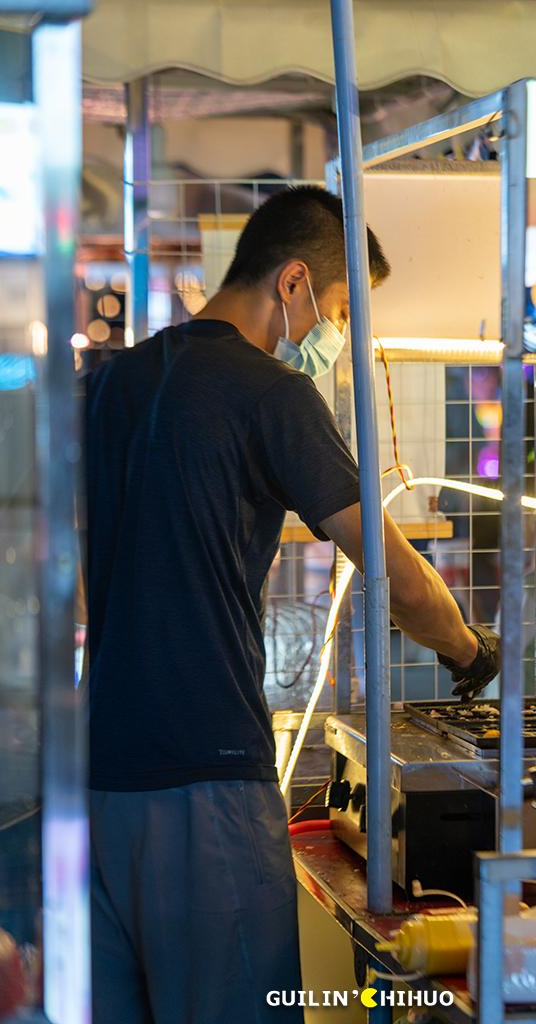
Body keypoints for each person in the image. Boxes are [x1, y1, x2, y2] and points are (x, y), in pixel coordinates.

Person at [83, 186, 499, 1024]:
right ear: (295, 282)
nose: (334, 334)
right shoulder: (270, 393)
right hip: (206, 783)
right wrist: (468, 651)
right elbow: (395, 575)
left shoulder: (110, 382)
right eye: (340, 309)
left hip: (93, 778)